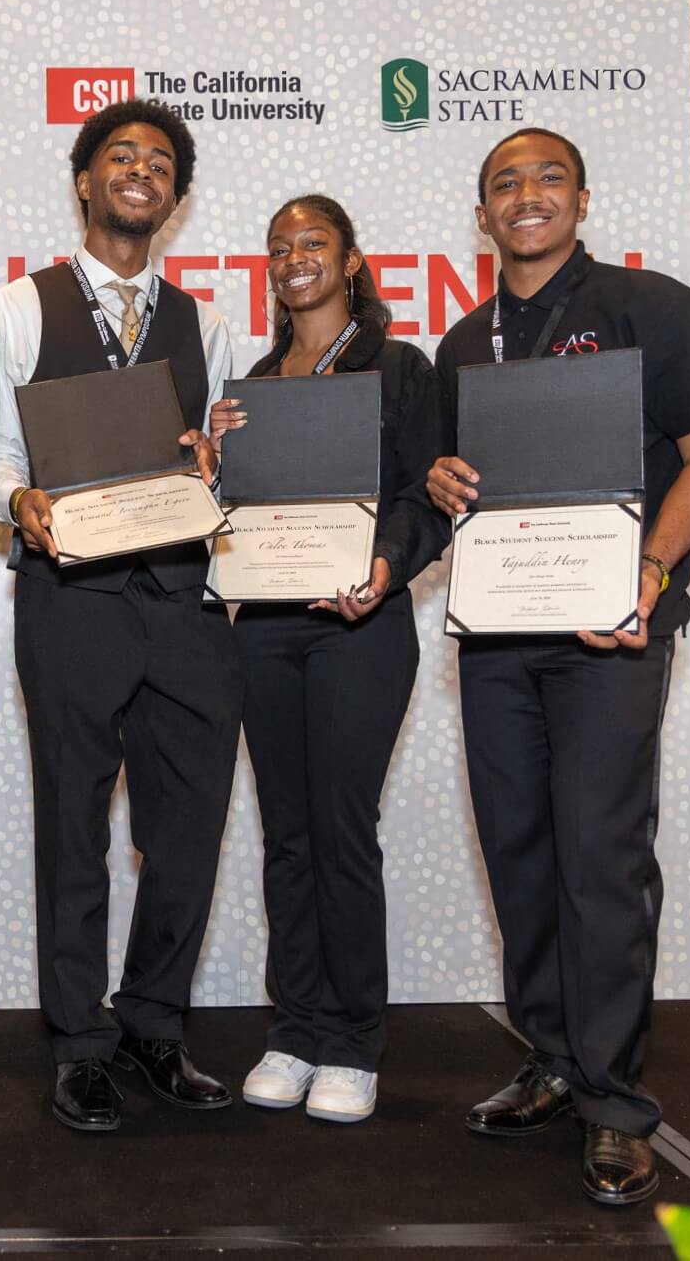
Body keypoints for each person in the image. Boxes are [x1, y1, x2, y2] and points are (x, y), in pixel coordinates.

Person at [422, 128, 690, 1205]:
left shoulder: (652, 308)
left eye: (547, 178)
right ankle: (552, 1056)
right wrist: (441, 480)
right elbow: (452, 492)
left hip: (611, 630)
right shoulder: (465, 344)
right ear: (480, 214)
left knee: (600, 860)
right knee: (518, 853)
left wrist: (650, 569)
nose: (526, 196)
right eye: (504, 184)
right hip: (501, 637)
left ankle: (614, 1101)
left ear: (583, 198)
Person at [0, 98, 240, 1134]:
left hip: (181, 597)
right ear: (84, 181)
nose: (140, 170)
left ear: (174, 196)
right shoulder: (20, 307)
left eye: (160, 161)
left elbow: (212, 464)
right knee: (73, 825)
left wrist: (215, 465)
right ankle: (79, 1043)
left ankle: (155, 1025)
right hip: (72, 596)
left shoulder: (207, 323)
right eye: (120, 155)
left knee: (188, 825)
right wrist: (17, 502)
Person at [205, 195, 440, 1124]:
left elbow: (430, 497)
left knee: (341, 831)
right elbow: (242, 517)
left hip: (360, 626)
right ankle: (295, 1026)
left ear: (350, 261)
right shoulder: (256, 382)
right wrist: (209, 466)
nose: (294, 257)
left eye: (314, 243)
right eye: (279, 248)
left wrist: (386, 566)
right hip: (264, 626)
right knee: (285, 833)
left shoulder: (401, 367)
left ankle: (353, 1041)